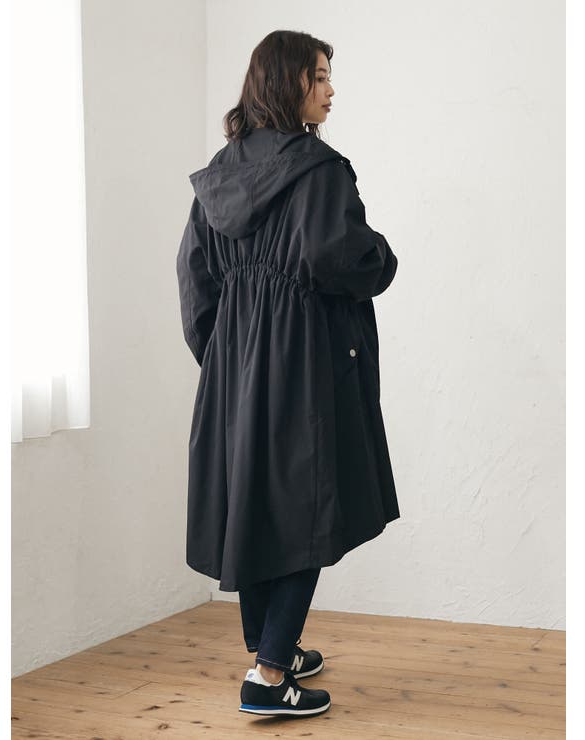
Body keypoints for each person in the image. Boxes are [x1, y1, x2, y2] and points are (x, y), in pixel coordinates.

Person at [175, 30, 400, 718]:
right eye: (320, 76)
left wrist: (225, 356)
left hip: (236, 363)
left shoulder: (220, 174)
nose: (331, 90)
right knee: (307, 504)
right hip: (303, 358)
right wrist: (384, 256)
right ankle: (269, 676)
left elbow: (194, 280)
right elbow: (342, 257)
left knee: (253, 500)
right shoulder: (319, 169)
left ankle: (271, 644)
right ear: (288, 83)